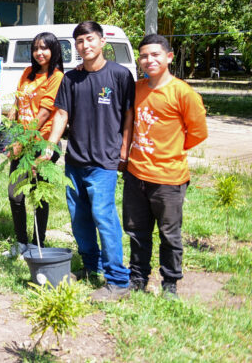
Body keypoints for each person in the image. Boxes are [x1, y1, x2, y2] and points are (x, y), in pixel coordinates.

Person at [44, 20, 134, 301]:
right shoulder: (71, 79)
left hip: (104, 162)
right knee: (79, 219)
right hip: (75, 160)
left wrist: (124, 149)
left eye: (90, 40)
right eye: (80, 42)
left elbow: (129, 115)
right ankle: (90, 267)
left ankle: (118, 280)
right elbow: (61, 115)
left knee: (104, 217)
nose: (85, 46)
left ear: (102, 41)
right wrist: (50, 144)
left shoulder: (120, 75)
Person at [123, 34, 207, 299]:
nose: (150, 60)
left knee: (170, 235)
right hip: (136, 174)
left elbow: (197, 133)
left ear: (169, 57)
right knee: (136, 231)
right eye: (145, 56)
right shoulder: (136, 89)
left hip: (169, 178)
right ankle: (137, 278)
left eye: (155, 55)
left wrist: (168, 152)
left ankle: (170, 284)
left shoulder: (183, 93)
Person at [3, 32, 64, 257]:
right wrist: (9, 132)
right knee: (15, 194)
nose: (39, 52)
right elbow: (17, 103)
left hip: (41, 144)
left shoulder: (56, 77)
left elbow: (44, 115)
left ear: (54, 50)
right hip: (20, 140)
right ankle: (21, 242)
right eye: (36, 48)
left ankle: (38, 243)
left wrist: (21, 141)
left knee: (39, 194)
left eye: (44, 48)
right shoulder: (28, 72)